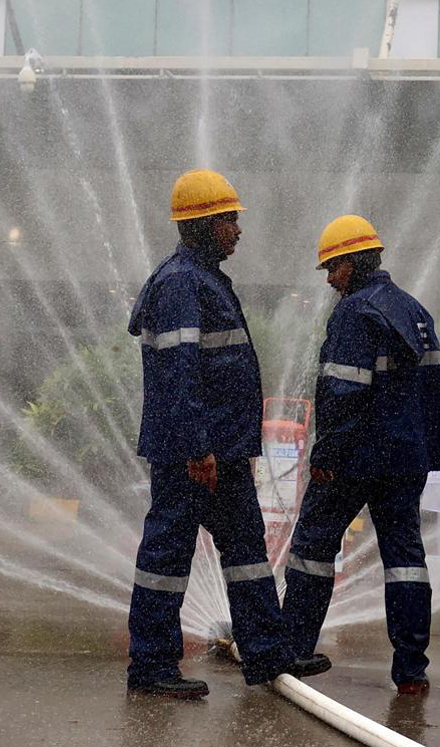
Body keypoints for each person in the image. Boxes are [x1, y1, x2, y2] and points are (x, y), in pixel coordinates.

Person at [124, 169, 328, 699]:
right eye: (229, 220)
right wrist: (198, 448)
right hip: (193, 453)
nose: (238, 230)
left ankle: (267, 655)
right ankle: (151, 668)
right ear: (204, 224)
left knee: (246, 553)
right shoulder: (179, 284)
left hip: (223, 453)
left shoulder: (205, 280)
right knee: (167, 558)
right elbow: (179, 375)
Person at [281, 215, 440, 695]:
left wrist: (327, 454)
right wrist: (426, 456)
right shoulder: (416, 312)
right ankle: (411, 670)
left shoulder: (355, 313)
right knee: (406, 560)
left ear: (353, 263)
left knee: (313, 548)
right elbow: (431, 395)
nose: (330, 279)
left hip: (356, 457)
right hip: (405, 460)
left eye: (333, 268)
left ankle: (294, 649)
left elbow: (342, 392)